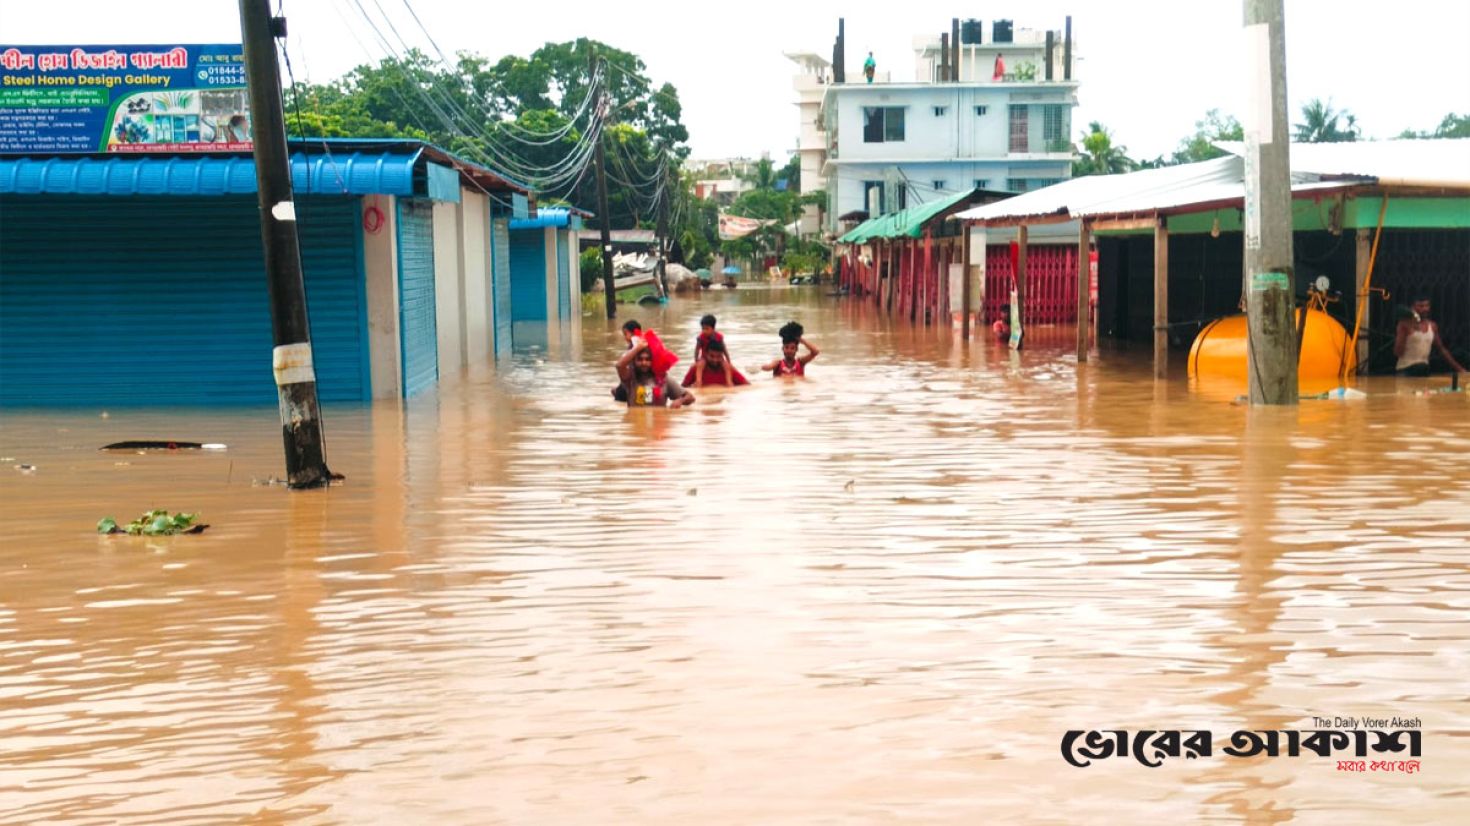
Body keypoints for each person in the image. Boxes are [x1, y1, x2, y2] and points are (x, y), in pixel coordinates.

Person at [1395, 296, 1464, 377]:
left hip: (1423, 369)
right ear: (1412, 307)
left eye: (1426, 306)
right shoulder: (1404, 324)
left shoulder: (1432, 326)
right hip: (1405, 369)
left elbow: (1441, 349)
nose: (1425, 309)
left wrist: (1460, 369)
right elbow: (1398, 352)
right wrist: (1407, 328)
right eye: (1421, 306)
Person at [611, 320, 680, 402]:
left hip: (639, 379)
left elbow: (620, 365)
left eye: (625, 334)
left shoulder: (637, 344)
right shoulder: (642, 342)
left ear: (631, 333)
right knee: (643, 402)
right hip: (639, 380)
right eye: (640, 359)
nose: (625, 337)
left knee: (642, 402)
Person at [617, 336, 694, 408]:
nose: (644, 363)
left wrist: (680, 401)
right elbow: (619, 366)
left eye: (647, 360)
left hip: (658, 421)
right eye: (640, 359)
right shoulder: (630, 378)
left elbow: (690, 397)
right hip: (636, 420)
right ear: (634, 361)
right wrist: (637, 348)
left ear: (653, 361)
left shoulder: (664, 379)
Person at [683, 339, 748, 388]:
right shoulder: (696, 368)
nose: (715, 360)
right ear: (705, 354)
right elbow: (682, 389)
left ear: (722, 356)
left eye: (719, 356)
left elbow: (748, 387)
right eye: (711, 356)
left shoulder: (728, 368)